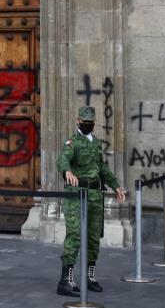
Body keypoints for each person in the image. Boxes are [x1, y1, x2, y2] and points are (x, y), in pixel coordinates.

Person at [56, 106, 125, 296]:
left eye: (90, 123)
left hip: (95, 195)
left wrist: (116, 186)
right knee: (75, 236)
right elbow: (63, 159)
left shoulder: (95, 142)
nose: (87, 125)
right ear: (78, 121)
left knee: (94, 238)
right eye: (84, 122)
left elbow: (102, 167)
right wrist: (67, 171)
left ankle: (89, 277)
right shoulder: (72, 142)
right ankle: (65, 281)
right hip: (77, 195)